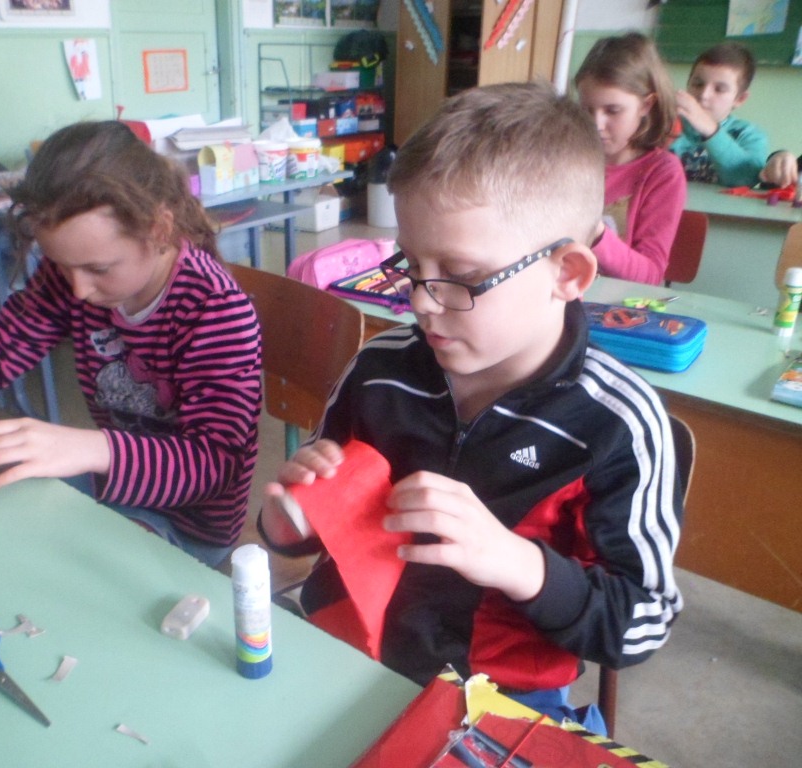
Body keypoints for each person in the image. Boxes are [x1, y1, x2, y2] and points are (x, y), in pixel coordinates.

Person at [258, 82, 685, 732]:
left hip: (501, 700)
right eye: (410, 265)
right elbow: (317, 526)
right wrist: (289, 521)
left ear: (568, 274)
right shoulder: (380, 371)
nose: (420, 302)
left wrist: (517, 563)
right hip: (342, 653)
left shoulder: (616, 424)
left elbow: (640, 622)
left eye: (459, 276)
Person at [0, 120, 262, 567]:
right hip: (109, 486)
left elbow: (215, 467)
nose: (77, 289)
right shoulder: (76, 274)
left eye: (98, 269)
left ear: (158, 229)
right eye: (59, 264)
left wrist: (91, 448)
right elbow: (5, 337)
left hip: (186, 525)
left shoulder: (214, 308)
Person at [576, 33, 686, 285]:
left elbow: (650, 276)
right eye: (587, 109)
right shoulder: (567, 159)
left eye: (613, 110)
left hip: (617, 303)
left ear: (646, 105)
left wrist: (595, 232)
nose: (596, 124)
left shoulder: (662, 173)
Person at [669, 43, 767, 187]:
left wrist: (710, 130)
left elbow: (746, 179)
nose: (704, 95)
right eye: (698, 84)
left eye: (719, 89)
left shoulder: (750, 135)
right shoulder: (667, 125)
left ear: (740, 99)